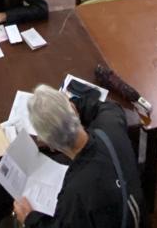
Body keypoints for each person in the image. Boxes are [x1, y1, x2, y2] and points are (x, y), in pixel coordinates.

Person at [13, 84, 143, 228]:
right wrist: (69, 107)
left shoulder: (74, 195)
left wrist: (29, 219)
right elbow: (111, 108)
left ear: (49, 143)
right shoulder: (111, 126)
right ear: (74, 111)